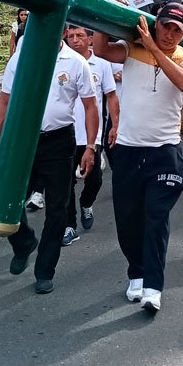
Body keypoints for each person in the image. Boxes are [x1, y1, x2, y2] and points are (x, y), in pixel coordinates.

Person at [92, 2, 183, 313]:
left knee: (156, 218)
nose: (169, 33)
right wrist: (106, 13)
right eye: (165, 26)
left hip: (164, 151)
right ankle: (136, 273)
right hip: (127, 148)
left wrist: (153, 47)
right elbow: (101, 50)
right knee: (128, 218)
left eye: (177, 30)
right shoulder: (130, 48)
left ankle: (153, 285)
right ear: (156, 24)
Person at [0, 29, 97, 295]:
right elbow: (5, 100)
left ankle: (45, 270)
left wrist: (91, 146)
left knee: (57, 208)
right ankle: (24, 241)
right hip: (22, 138)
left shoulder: (75, 62)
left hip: (59, 141)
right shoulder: (20, 58)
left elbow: (91, 106)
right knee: (10, 198)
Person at [63, 25, 119, 245]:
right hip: (64, 135)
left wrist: (115, 124)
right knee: (65, 184)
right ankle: (69, 225)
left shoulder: (102, 65)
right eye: (71, 36)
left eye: (80, 36)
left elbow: (111, 96)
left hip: (91, 136)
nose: (75, 40)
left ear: (91, 39)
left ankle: (86, 204)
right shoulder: (59, 63)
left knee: (94, 180)